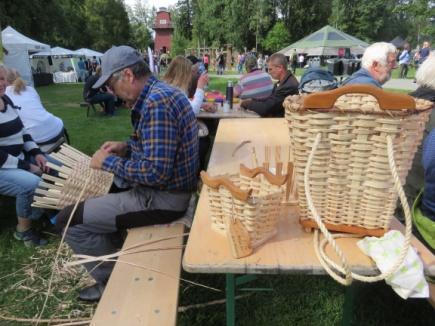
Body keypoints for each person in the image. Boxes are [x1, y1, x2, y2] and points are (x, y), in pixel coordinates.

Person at [55, 46, 199, 302]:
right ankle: (118, 257)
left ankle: (112, 282)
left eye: (111, 85)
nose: (112, 93)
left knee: (69, 221)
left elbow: (156, 173)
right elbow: (159, 149)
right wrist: (126, 147)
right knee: (98, 201)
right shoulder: (162, 93)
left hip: (164, 199)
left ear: (128, 75)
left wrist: (109, 162)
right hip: (167, 191)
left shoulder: (157, 104)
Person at [0, 64, 49, 247]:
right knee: (30, 184)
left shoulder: (6, 99)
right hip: (3, 166)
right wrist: (27, 166)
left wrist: (36, 153)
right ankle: (23, 232)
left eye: (2, 78)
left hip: (18, 158)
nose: (1, 83)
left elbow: (23, 131)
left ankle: (38, 212)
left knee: (52, 166)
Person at [163, 55, 210, 170]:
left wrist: (202, 104)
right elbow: (192, 111)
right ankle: (197, 173)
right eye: (189, 72)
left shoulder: (169, 86)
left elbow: (184, 103)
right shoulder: (176, 89)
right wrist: (200, 87)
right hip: (174, 140)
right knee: (204, 141)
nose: (190, 76)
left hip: (171, 134)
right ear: (183, 74)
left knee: (204, 137)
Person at [5, 69, 66, 153]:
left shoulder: (4, 94)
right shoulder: (30, 89)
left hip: (38, 137)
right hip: (57, 127)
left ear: (5, 80)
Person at [240, 53, 299, 117]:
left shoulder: (288, 86)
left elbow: (265, 108)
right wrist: (253, 100)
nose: (269, 72)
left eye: (270, 69)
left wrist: (246, 104)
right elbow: (269, 99)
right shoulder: (284, 82)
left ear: (280, 68)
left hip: (280, 124)